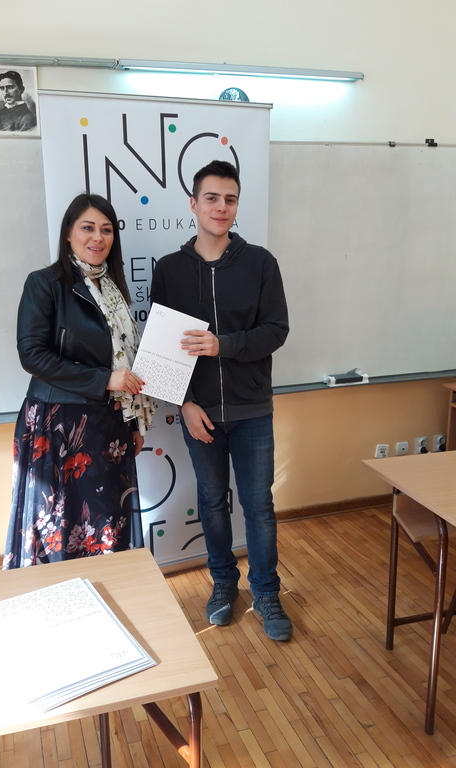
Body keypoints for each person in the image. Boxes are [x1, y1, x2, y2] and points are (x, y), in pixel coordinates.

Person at [150, 160, 292, 641]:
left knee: (258, 505)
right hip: (200, 412)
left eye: (230, 199)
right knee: (212, 502)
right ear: (193, 204)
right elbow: (162, 350)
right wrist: (185, 404)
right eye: (211, 198)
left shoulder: (260, 263)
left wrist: (222, 345)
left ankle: (266, 592)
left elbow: (276, 330)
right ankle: (223, 584)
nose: (221, 207)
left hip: (252, 410)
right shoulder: (170, 270)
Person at [3, 193, 154, 568]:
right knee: (61, 526)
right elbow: (32, 355)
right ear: (68, 232)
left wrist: (133, 423)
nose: (98, 237)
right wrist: (105, 380)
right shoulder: (45, 284)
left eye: (107, 230)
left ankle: (108, 596)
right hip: (60, 424)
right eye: (88, 227)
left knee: (108, 526)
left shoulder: (112, 289)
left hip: (110, 424)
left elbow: (124, 361)